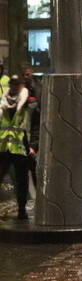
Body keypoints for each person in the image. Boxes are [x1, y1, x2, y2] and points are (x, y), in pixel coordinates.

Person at [0, 75, 34, 219]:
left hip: (21, 147)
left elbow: (35, 124)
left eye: (17, 84)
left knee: (22, 181)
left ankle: (21, 209)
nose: (14, 87)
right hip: (3, 147)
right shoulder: (2, 103)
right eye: (12, 84)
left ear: (22, 85)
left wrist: (33, 145)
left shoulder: (29, 103)